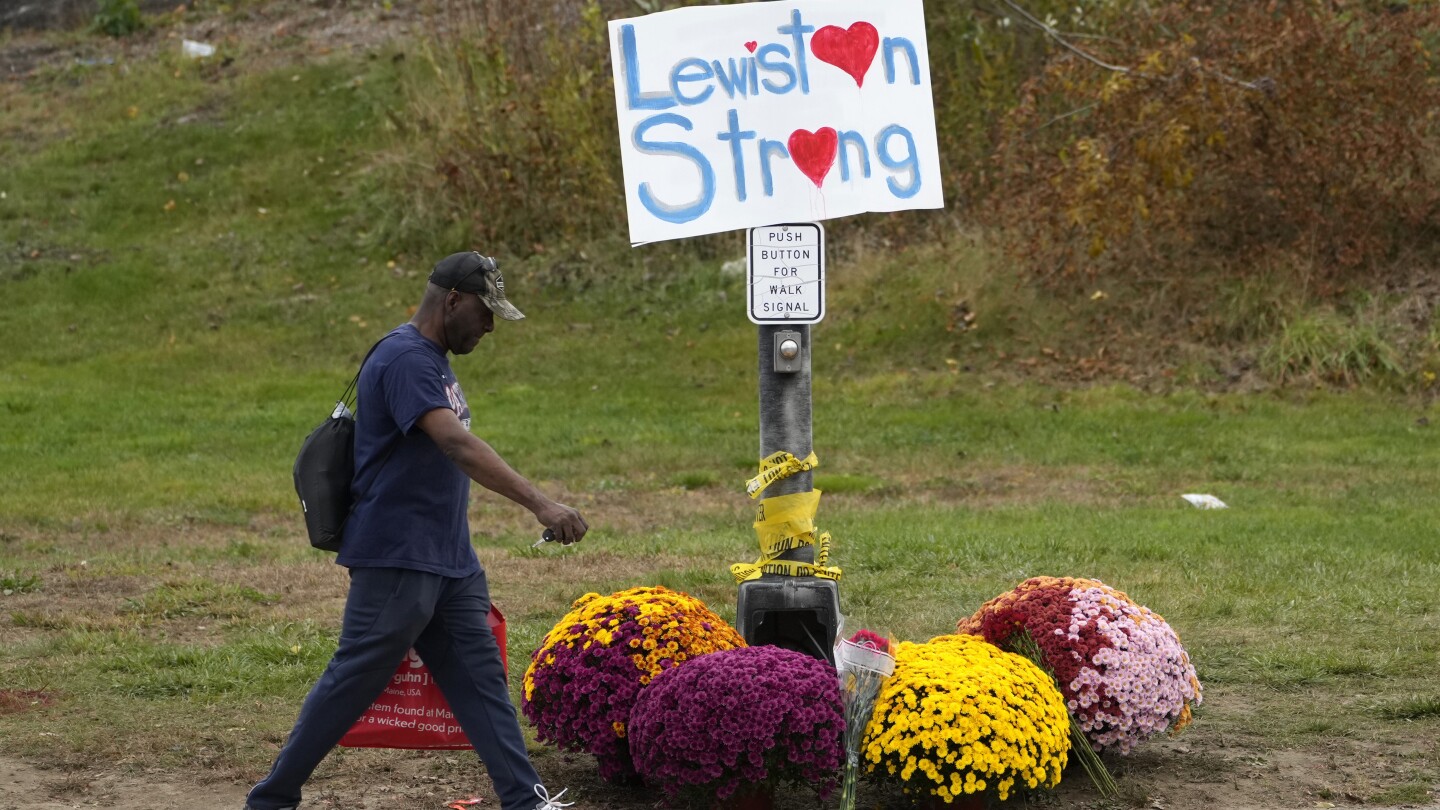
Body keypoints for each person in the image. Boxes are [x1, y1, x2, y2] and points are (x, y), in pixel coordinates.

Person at [246, 252, 588, 810]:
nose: (490, 325)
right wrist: (540, 504)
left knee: (482, 683)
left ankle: (526, 802)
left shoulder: (431, 358)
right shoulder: (405, 358)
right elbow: (455, 444)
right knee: (354, 678)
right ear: (452, 299)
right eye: (485, 311)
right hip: (398, 555)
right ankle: (272, 800)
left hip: (447, 558)